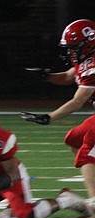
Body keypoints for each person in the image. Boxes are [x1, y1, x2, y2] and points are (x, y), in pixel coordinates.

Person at [20, 19, 95, 203]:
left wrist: (49, 117)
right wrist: (48, 76)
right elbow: (71, 75)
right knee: (74, 139)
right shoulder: (87, 59)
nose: (70, 51)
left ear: (87, 44)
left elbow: (78, 101)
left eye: (73, 47)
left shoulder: (93, 66)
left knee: (86, 154)